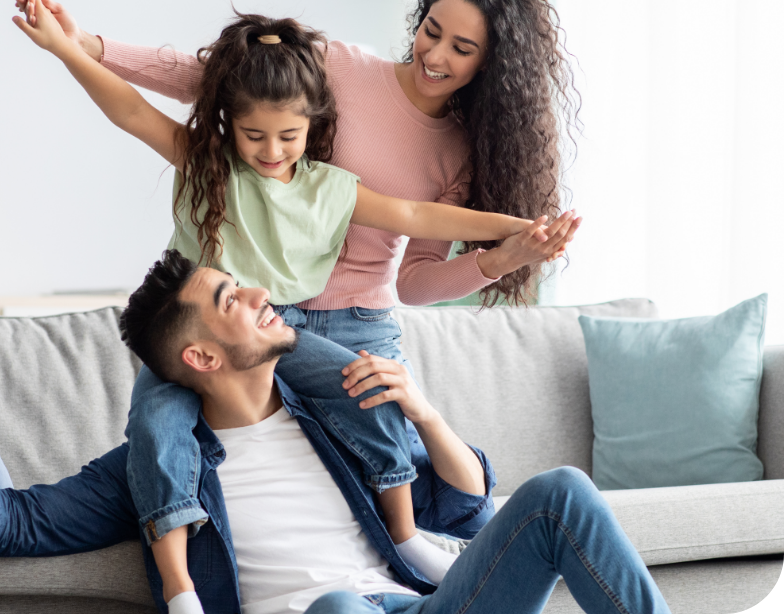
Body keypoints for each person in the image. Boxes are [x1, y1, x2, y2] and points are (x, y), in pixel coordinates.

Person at [12, 0, 577, 610]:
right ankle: (180, 588)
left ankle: (405, 534)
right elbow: (130, 110)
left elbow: (415, 214)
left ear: (313, 127)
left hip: (278, 332)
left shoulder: (328, 188)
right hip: (207, 333)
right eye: (255, 135)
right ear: (229, 122)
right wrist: (70, 47)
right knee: (156, 426)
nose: (271, 150)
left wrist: (515, 228)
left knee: (366, 387)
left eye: (289, 136)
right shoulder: (208, 164)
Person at [0, 250, 671, 614]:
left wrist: (424, 412)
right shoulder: (151, 468)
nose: (261, 296)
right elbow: (21, 522)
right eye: (232, 301)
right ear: (200, 358)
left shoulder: (335, 422)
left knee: (561, 491)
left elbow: (468, 511)